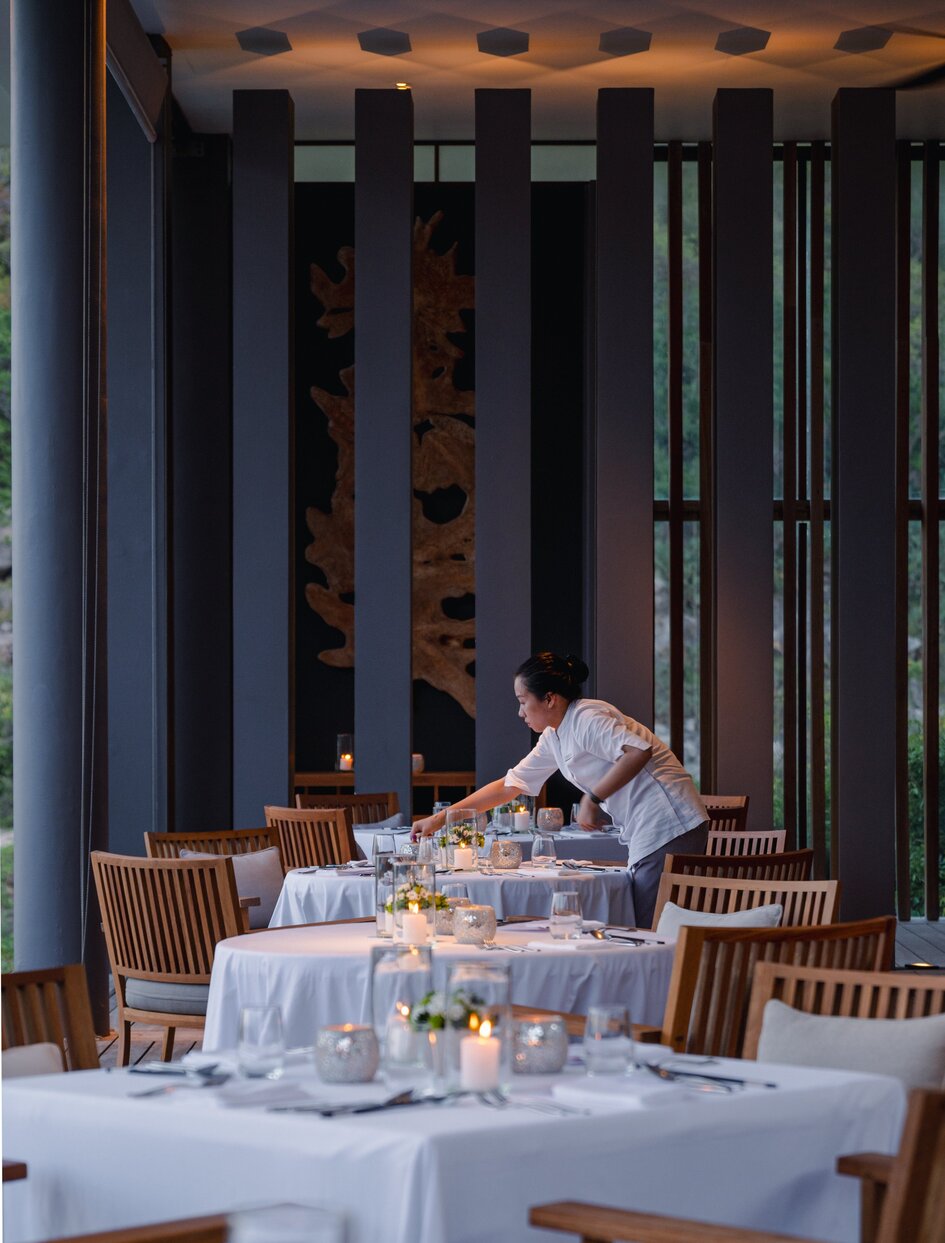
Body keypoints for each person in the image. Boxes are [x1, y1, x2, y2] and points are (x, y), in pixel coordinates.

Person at [413, 651, 708, 930]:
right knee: (643, 922)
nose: (520, 712)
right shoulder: (555, 735)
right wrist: (438, 820)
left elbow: (637, 752)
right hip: (651, 828)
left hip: (668, 822)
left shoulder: (586, 718)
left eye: (522, 701)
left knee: (651, 928)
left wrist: (593, 798)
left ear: (550, 699)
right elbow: (508, 786)